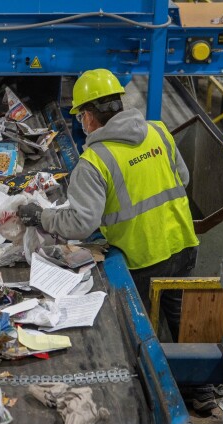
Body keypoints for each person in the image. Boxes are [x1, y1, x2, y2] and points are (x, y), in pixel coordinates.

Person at [18, 69, 198, 341]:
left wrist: (42, 216)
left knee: (140, 335)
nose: (81, 122)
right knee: (180, 320)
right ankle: (191, 364)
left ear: (89, 116)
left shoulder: (94, 162)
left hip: (143, 261)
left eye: (80, 116)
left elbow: (81, 224)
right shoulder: (158, 131)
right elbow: (182, 179)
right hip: (183, 246)